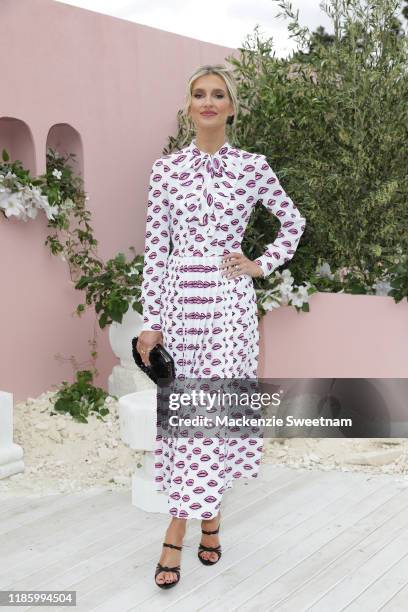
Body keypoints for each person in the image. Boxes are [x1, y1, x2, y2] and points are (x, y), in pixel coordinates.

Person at [137, 63, 306, 589]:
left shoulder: (253, 167)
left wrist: (259, 263)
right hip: (179, 308)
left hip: (230, 312)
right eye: (198, 94)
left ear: (231, 107)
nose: (208, 102)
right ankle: (208, 517)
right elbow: (154, 252)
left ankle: (177, 528)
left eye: (218, 95)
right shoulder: (165, 171)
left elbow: (292, 222)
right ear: (188, 107)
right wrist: (151, 320)